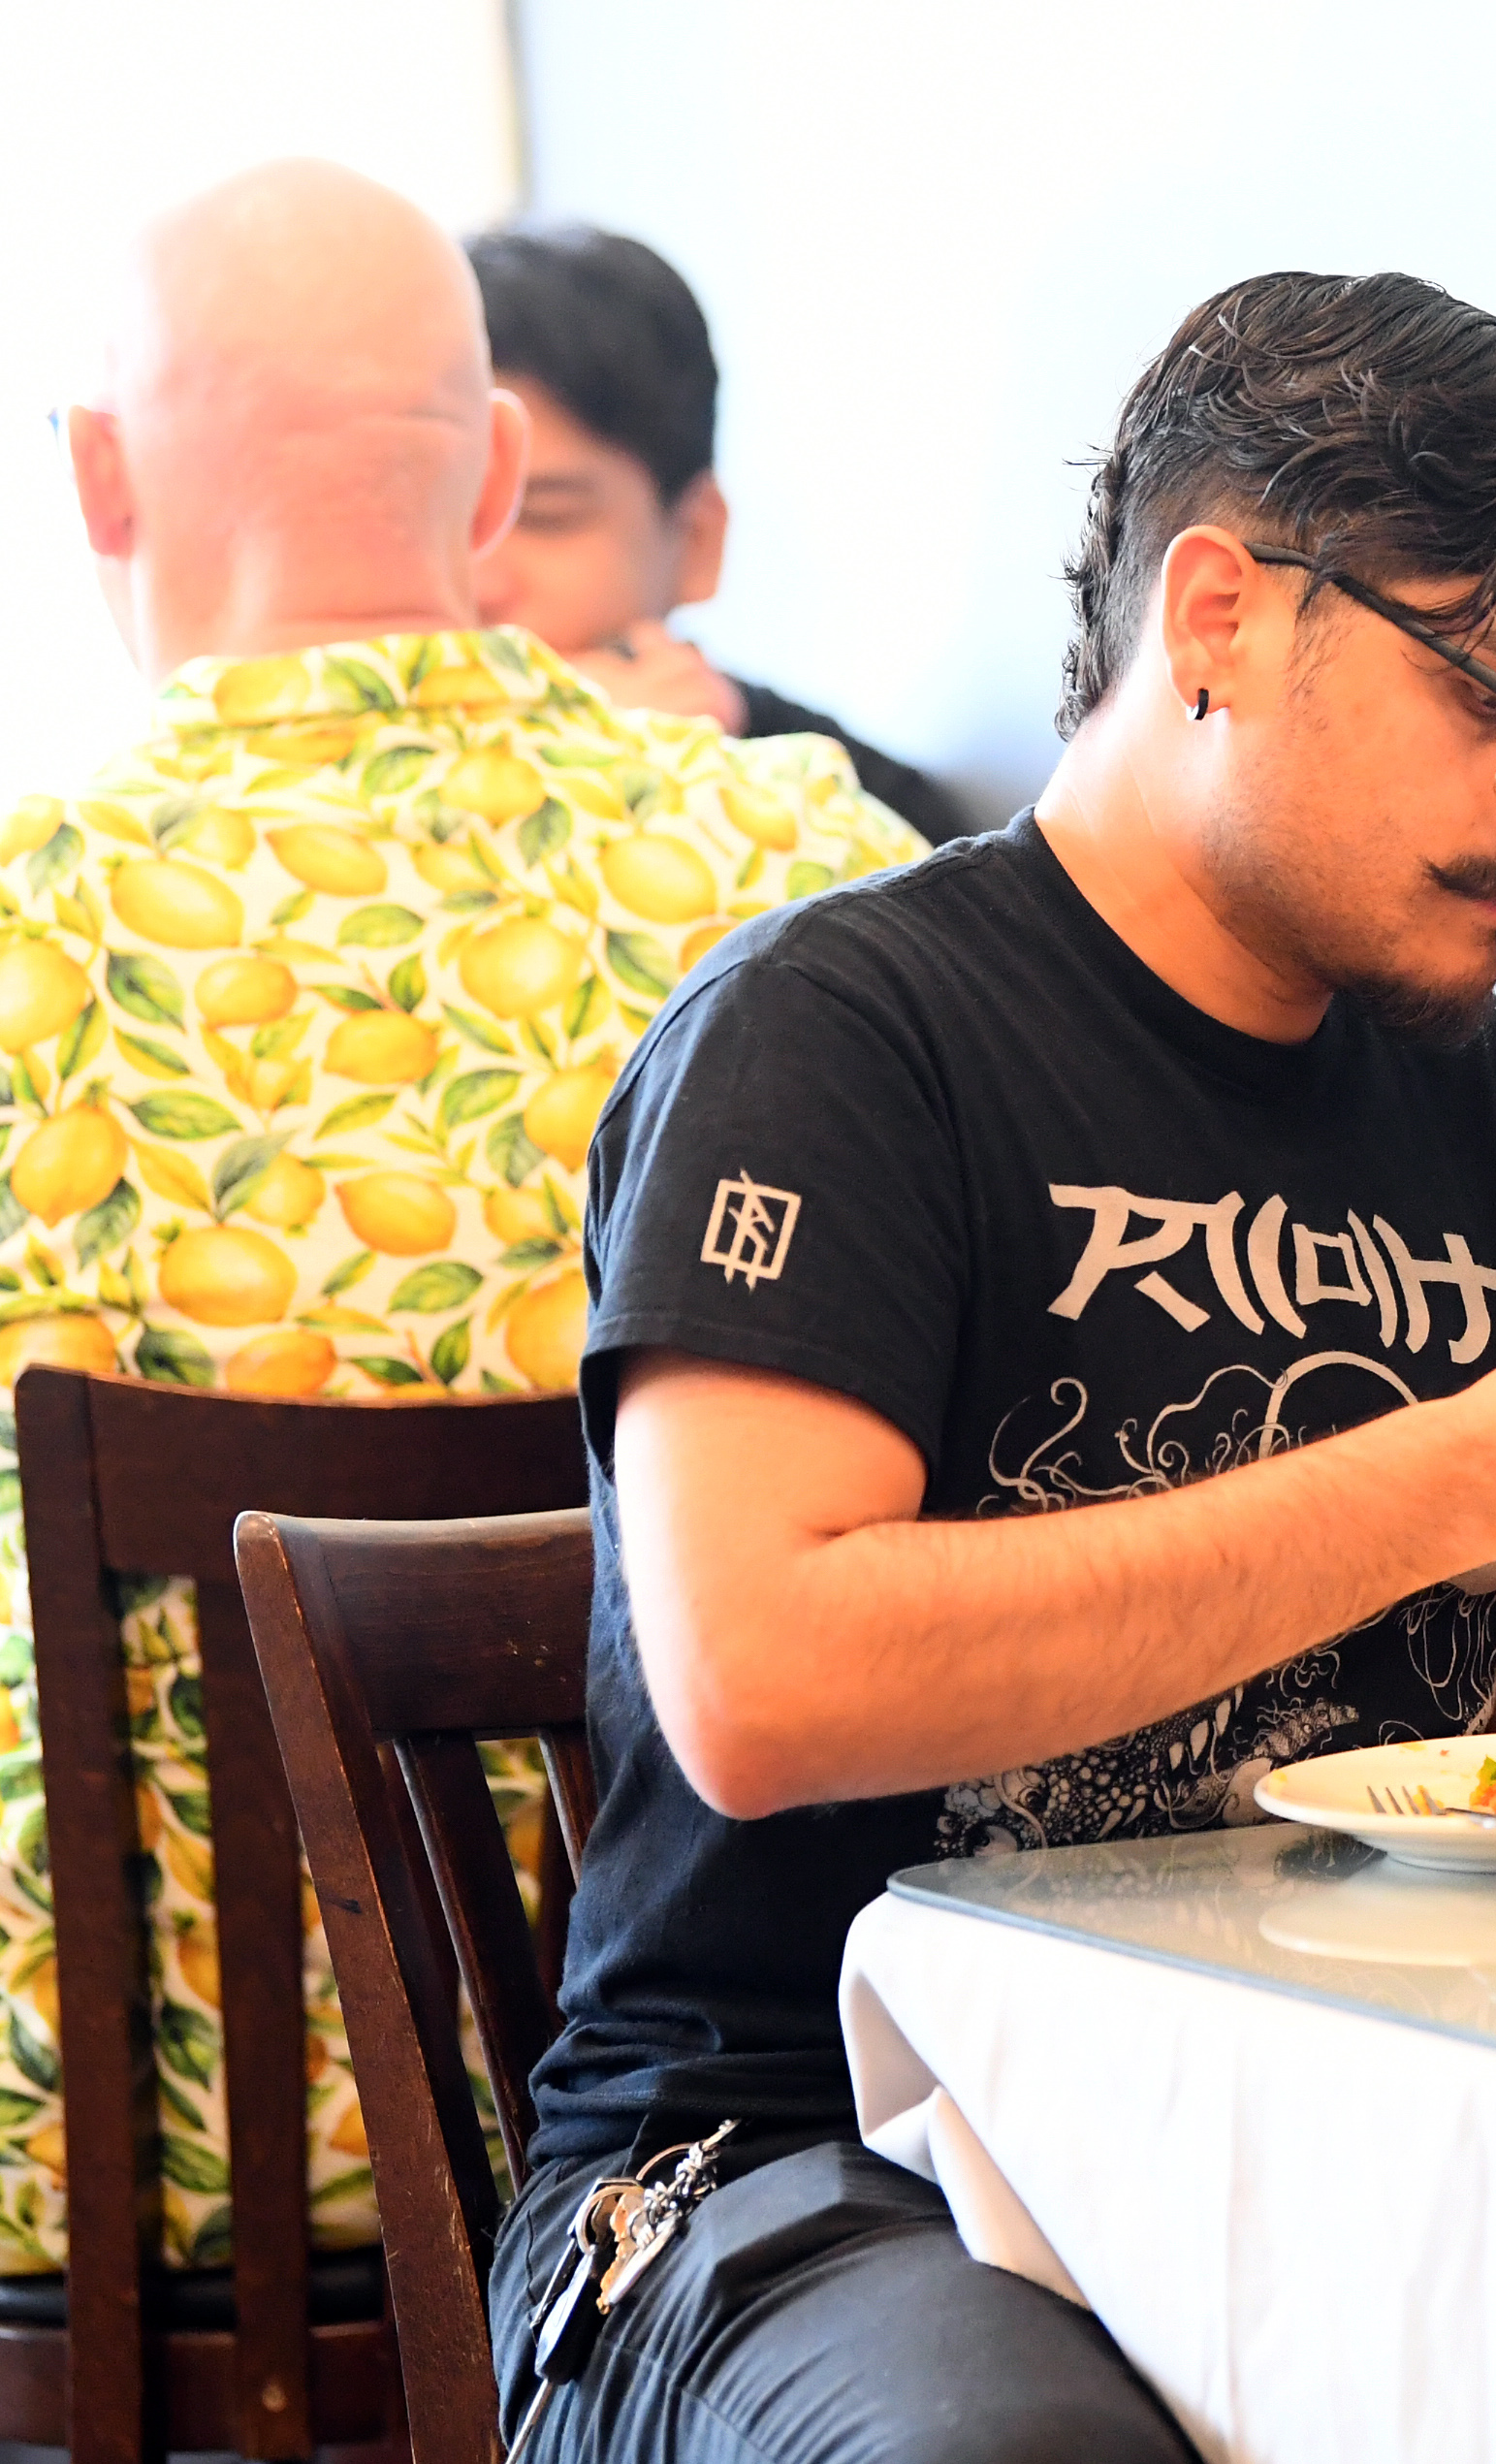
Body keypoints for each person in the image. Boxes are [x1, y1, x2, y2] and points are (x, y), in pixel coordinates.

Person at [492, 271, 1496, 2461]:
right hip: (784, 2171)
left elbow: (1390, 1740)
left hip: (1315, 2121)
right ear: (1220, 616)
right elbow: (766, 1684)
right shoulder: (837, 1035)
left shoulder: (1467, 1090)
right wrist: (1472, 1475)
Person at [0, 162, 916, 2286]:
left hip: (148, 2194)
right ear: (495, 473)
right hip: (726, 2143)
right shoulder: (804, 875)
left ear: (101, 484)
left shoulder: (32, 919)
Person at [465, 223, 977, 843]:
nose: (478, 577)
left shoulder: (865, 822)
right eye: (440, 518)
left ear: (696, 542)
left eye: (545, 518)